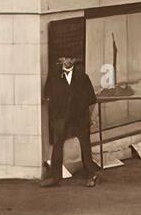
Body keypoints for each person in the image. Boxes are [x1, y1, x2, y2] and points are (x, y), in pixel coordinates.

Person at [41, 54, 100, 188]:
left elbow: (91, 100)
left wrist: (91, 118)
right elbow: (48, 96)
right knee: (58, 145)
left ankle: (91, 174)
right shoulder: (54, 77)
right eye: (65, 58)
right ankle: (55, 177)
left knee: (85, 145)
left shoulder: (82, 77)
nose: (68, 61)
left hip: (80, 117)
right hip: (61, 118)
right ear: (60, 60)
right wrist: (56, 115)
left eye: (71, 58)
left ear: (75, 60)